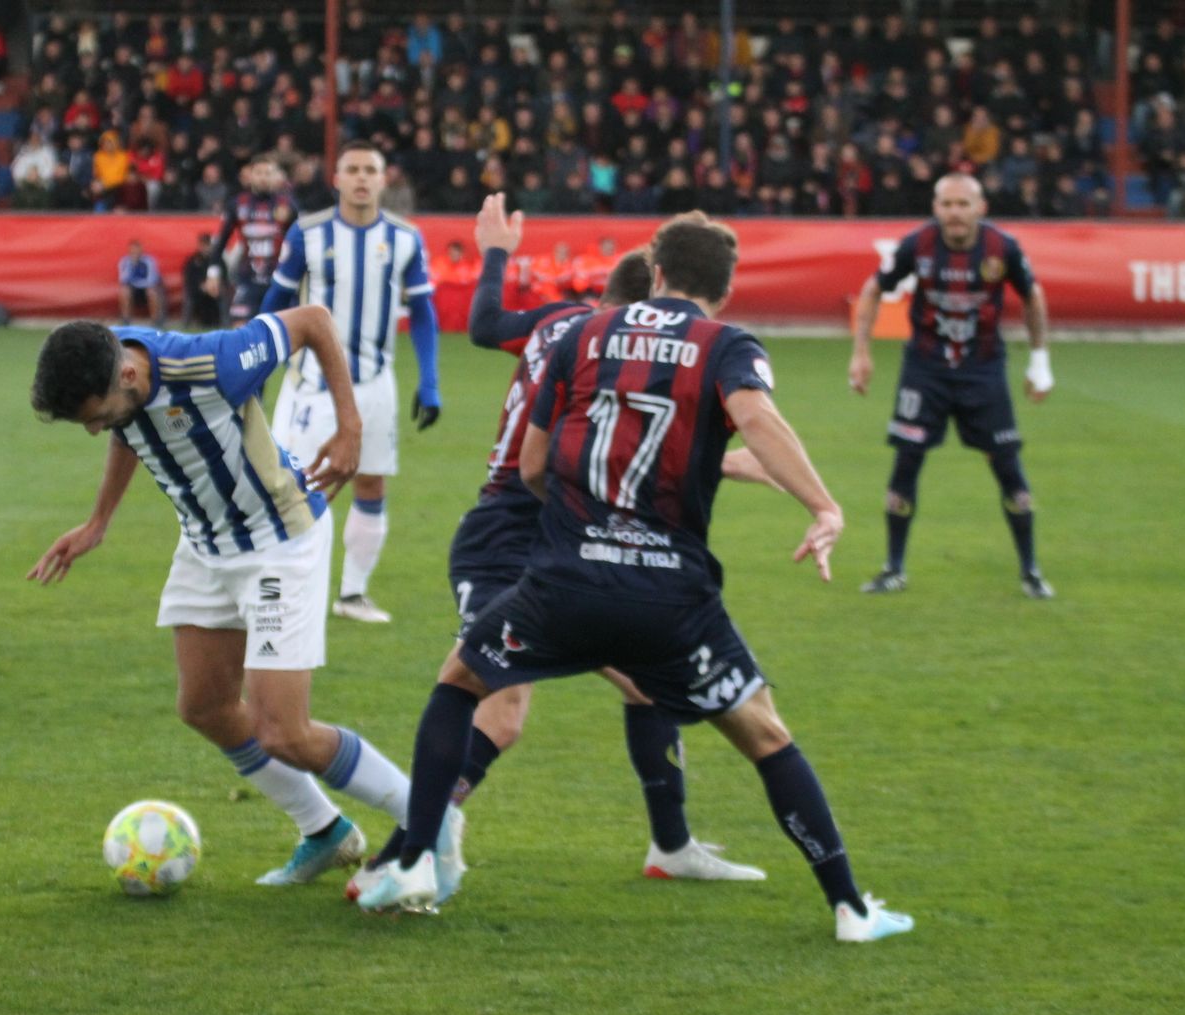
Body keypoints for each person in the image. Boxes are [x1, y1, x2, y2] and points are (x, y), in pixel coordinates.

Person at [356, 215, 914, 944]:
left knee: (460, 682)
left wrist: (583, 524)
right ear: (725, 289)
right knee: (767, 736)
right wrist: (824, 507)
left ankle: (415, 859)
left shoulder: (582, 333)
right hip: (670, 599)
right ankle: (850, 909)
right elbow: (758, 419)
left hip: (564, 581)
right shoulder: (727, 344)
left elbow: (533, 466)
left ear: (656, 274)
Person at [347, 199, 772, 902]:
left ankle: (670, 845)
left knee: (641, 680)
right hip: (515, 535)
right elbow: (617, 446)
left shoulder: (558, 324)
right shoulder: (610, 346)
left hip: (555, 532)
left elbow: (491, 331)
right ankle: (400, 856)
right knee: (498, 709)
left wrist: (495, 252)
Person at [26, 307, 443, 886]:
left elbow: (314, 320)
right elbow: (128, 429)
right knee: (204, 707)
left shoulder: (213, 363)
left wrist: (351, 428)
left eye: (96, 418)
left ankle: (431, 825)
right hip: (204, 545)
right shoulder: (111, 365)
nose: (96, 430)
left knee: (284, 732)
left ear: (127, 376)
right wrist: (99, 521)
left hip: (277, 544)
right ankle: (325, 831)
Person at [261, 141, 443, 624]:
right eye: (353, 169)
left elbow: (423, 311)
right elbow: (274, 303)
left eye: (370, 170)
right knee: (296, 488)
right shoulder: (307, 233)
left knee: (371, 482)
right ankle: (284, 589)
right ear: (336, 179)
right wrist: (255, 369)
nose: (361, 178)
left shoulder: (405, 238)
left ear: (383, 180)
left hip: (375, 385)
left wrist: (429, 381)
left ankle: (352, 594)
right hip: (313, 386)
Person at [848, 173, 1054, 598]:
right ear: (935, 208)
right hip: (925, 371)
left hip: (983, 370)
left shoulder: (1002, 248)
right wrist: (861, 352)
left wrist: (1040, 361)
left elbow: (1032, 296)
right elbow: (872, 289)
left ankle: (1031, 571)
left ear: (981, 208)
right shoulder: (917, 245)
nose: (955, 212)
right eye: (947, 204)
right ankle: (893, 568)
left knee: (1007, 466)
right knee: (906, 461)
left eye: (963, 204)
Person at [213, 154, 294, 322]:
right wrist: (212, 273)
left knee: (283, 331)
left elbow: (301, 244)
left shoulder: (288, 205)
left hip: (279, 280)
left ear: (275, 177)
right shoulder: (237, 204)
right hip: (247, 279)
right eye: (259, 173)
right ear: (250, 176)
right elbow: (220, 242)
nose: (263, 178)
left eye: (268, 173)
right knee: (240, 329)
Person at [116, 238, 166, 328]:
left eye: (137, 250)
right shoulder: (125, 261)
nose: (135, 252)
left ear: (141, 250)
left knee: (151, 292)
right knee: (124, 291)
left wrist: (139, 283)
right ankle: (126, 319)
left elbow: (152, 280)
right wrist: (131, 266)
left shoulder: (149, 261)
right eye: (133, 250)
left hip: (146, 288)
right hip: (133, 289)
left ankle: (155, 321)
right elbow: (123, 280)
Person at [181, 232, 226, 328]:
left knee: (221, 295)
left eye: (206, 244)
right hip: (198, 289)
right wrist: (201, 286)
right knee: (191, 296)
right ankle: (186, 324)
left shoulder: (217, 259)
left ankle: (223, 322)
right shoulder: (193, 260)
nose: (204, 247)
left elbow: (223, 275)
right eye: (202, 244)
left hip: (215, 289)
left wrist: (215, 286)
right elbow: (189, 277)